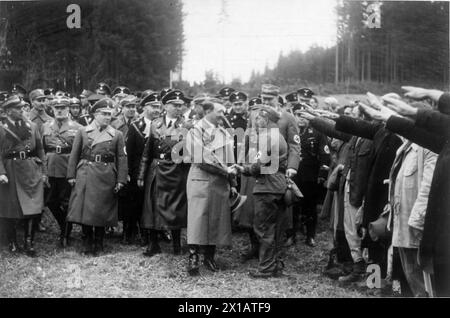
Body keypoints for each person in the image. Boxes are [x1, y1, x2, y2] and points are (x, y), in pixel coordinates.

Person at [236, 84, 301, 262]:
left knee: (275, 214)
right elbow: (247, 139)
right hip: (253, 169)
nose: (265, 103)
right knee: (251, 211)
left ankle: (274, 252)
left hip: (274, 171)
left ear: (277, 98)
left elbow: (295, 145)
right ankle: (255, 248)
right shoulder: (255, 115)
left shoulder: (287, 118)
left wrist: (292, 167)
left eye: (269, 99)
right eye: (263, 99)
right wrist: (241, 164)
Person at [66, 98, 127, 256]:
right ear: (95, 114)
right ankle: (87, 241)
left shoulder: (117, 134)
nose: (108, 117)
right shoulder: (83, 131)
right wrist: (71, 175)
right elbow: (74, 155)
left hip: (106, 175)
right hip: (86, 172)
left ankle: (99, 242)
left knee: (102, 209)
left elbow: (121, 158)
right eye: (104, 114)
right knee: (86, 209)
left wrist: (121, 180)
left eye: (109, 114)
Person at [234, 105, 288, 278]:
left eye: (258, 118)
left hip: (267, 186)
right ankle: (275, 265)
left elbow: (257, 166)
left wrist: (243, 169)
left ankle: (266, 268)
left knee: (264, 228)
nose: (256, 121)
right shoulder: (278, 136)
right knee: (276, 228)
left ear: (266, 119)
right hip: (278, 185)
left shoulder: (268, 138)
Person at [137, 90, 192, 257]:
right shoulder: (155, 124)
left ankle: (176, 244)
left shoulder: (187, 125)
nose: (178, 108)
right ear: (166, 106)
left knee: (175, 207)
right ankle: (153, 244)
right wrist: (141, 175)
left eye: (180, 105)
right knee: (152, 206)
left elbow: (190, 152)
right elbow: (147, 152)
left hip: (176, 170)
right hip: (156, 169)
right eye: (174, 105)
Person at [185, 101, 237, 275]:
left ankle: (209, 256)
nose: (223, 114)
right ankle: (193, 257)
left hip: (220, 181)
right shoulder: (195, 131)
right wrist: (225, 171)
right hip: (201, 178)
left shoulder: (223, 132)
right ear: (207, 111)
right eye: (219, 111)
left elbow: (231, 160)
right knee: (197, 218)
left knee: (216, 218)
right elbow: (201, 158)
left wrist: (233, 183)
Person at [0, 95, 47, 256]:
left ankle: (29, 242)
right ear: (7, 112)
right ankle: (12, 242)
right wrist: (1, 172)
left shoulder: (32, 126)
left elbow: (40, 149)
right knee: (10, 208)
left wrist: (44, 172)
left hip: (30, 169)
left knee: (32, 206)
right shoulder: (1, 127)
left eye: (22, 108)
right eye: (18, 108)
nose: (22, 110)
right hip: (10, 170)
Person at [41, 96, 82, 247]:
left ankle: (65, 234)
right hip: (51, 168)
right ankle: (64, 226)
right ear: (52, 109)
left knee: (66, 202)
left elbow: (79, 151)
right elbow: (42, 149)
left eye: (63, 108)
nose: (59, 111)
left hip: (67, 168)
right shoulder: (46, 126)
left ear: (68, 109)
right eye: (57, 108)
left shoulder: (77, 127)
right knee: (51, 201)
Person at [289, 103, 331, 247]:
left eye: (303, 115)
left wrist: (322, 174)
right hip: (293, 175)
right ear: (293, 116)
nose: (301, 119)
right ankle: (291, 235)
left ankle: (310, 235)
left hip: (310, 176)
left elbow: (325, 155)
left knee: (310, 206)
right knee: (292, 205)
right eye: (297, 115)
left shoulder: (318, 132)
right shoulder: (290, 132)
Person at [125, 92, 162, 245]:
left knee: (154, 201)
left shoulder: (162, 125)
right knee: (137, 202)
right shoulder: (136, 126)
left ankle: (155, 233)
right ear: (145, 108)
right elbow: (129, 152)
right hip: (137, 171)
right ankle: (134, 233)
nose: (156, 110)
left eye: (158, 107)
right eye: (153, 107)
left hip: (156, 170)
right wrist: (129, 172)